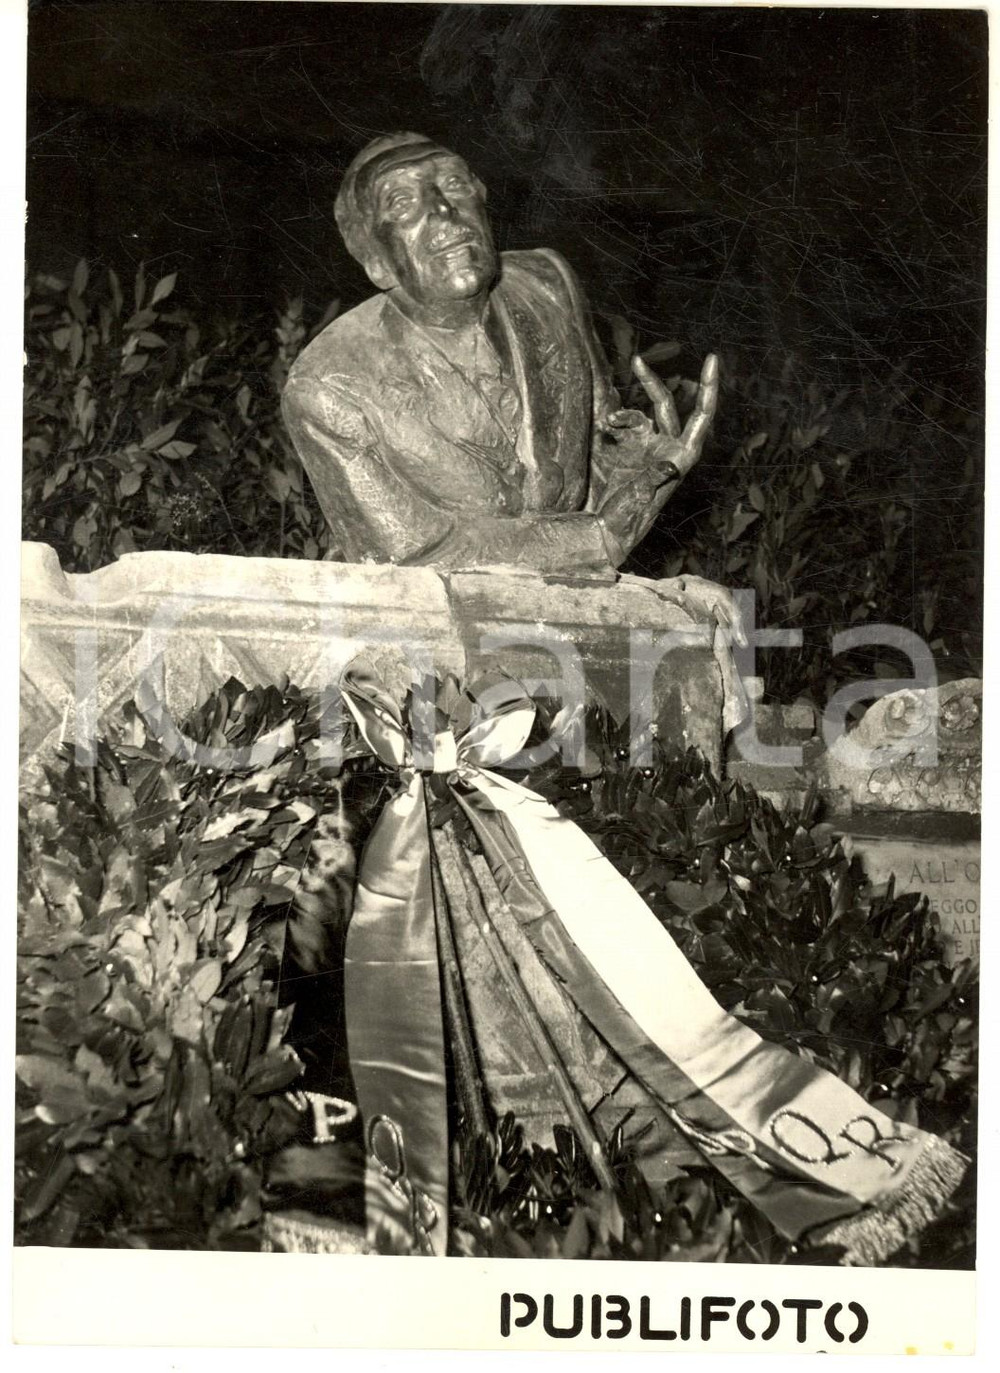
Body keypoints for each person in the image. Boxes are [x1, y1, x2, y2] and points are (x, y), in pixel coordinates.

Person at [281, 132, 727, 612]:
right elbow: (408, 551)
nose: (443, 212)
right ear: (375, 260)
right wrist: (595, 539)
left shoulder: (546, 281)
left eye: (452, 183)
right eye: (402, 201)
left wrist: (635, 471)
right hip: (425, 639)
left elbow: (595, 444)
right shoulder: (328, 385)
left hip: (569, 611)